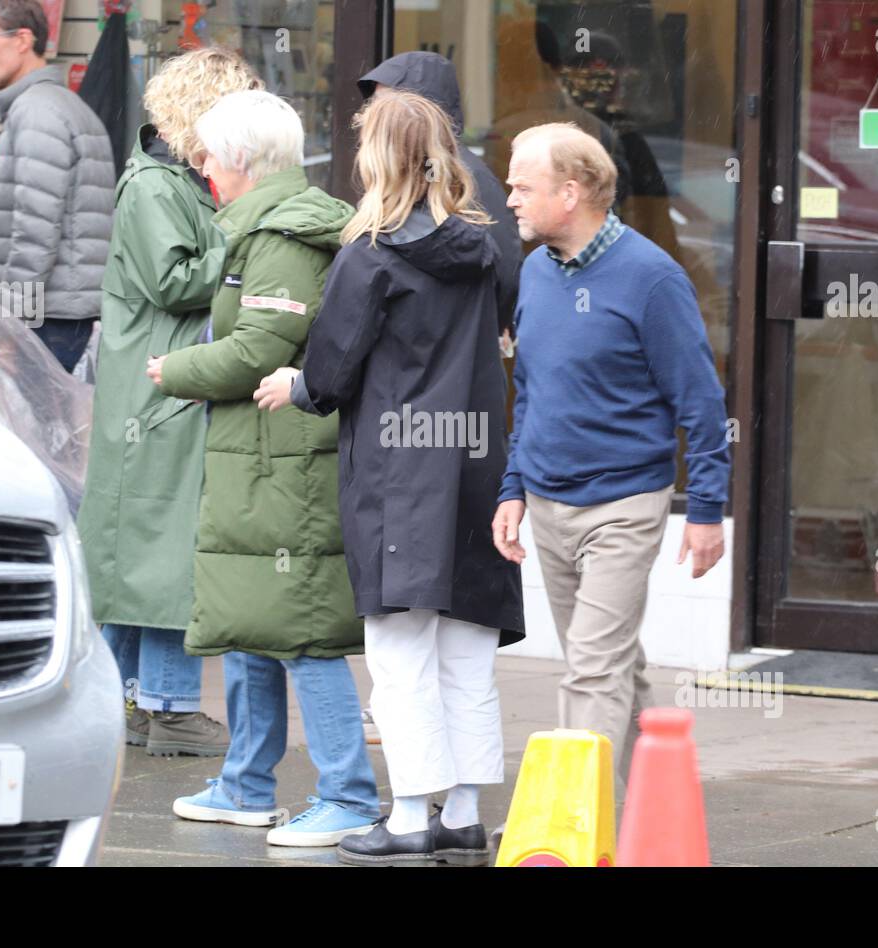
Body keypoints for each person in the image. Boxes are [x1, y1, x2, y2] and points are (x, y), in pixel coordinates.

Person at [255, 90, 526, 866]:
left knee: (401, 654)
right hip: (475, 462)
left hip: (399, 471)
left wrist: (293, 385)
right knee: (467, 647)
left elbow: (333, 369)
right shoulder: (485, 249)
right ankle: (465, 810)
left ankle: (408, 815)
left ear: (379, 157)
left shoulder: (369, 253)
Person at [149, 90, 380, 848]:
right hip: (261, 457)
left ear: (241, 162)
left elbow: (258, 350)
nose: (201, 169)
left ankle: (346, 793)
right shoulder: (270, 226)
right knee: (251, 620)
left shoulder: (281, 237)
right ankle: (247, 786)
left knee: (305, 632)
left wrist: (170, 369)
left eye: (208, 156)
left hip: (286, 463)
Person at [491, 123, 730, 783]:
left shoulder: (651, 279)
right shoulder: (534, 274)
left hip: (623, 504)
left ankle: (570, 826)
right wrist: (512, 489)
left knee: (591, 669)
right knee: (612, 665)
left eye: (522, 186)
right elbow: (531, 392)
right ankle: (662, 809)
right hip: (547, 500)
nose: (508, 198)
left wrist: (707, 509)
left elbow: (701, 403)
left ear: (570, 193)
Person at [78, 47, 263, 759]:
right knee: (163, 555)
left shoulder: (168, 178)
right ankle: (170, 706)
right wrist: (247, 232)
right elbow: (175, 281)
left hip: (160, 385)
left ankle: (120, 697)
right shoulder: (155, 186)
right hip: (162, 388)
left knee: (135, 555)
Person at [0, 0, 114, 372]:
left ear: (22, 40)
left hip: (45, 320)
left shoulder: (38, 112)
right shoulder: (53, 105)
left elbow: (34, 233)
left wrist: (9, 326)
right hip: (56, 314)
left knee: (35, 426)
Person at [357, 51, 521, 338]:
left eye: (385, 106)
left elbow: (503, 265)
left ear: (418, 108)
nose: (373, 116)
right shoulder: (439, 166)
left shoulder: (459, 173)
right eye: (373, 105)